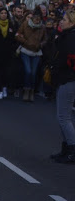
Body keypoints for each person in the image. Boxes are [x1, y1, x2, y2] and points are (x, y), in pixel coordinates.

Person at [50, 9, 75, 163]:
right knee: (63, 116)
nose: (61, 21)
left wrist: (59, 68)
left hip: (68, 79)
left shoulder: (71, 38)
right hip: (64, 78)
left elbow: (69, 60)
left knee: (64, 117)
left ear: (72, 22)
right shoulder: (65, 36)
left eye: (64, 20)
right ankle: (66, 148)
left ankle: (72, 149)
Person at [15, 7, 47, 102]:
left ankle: (31, 91)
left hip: (36, 52)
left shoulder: (42, 27)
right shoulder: (25, 24)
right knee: (28, 71)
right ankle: (26, 90)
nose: (37, 21)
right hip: (25, 50)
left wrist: (40, 45)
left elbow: (45, 39)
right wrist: (25, 42)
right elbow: (17, 35)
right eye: (36, 19)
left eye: (39, 19)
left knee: (33, 72)